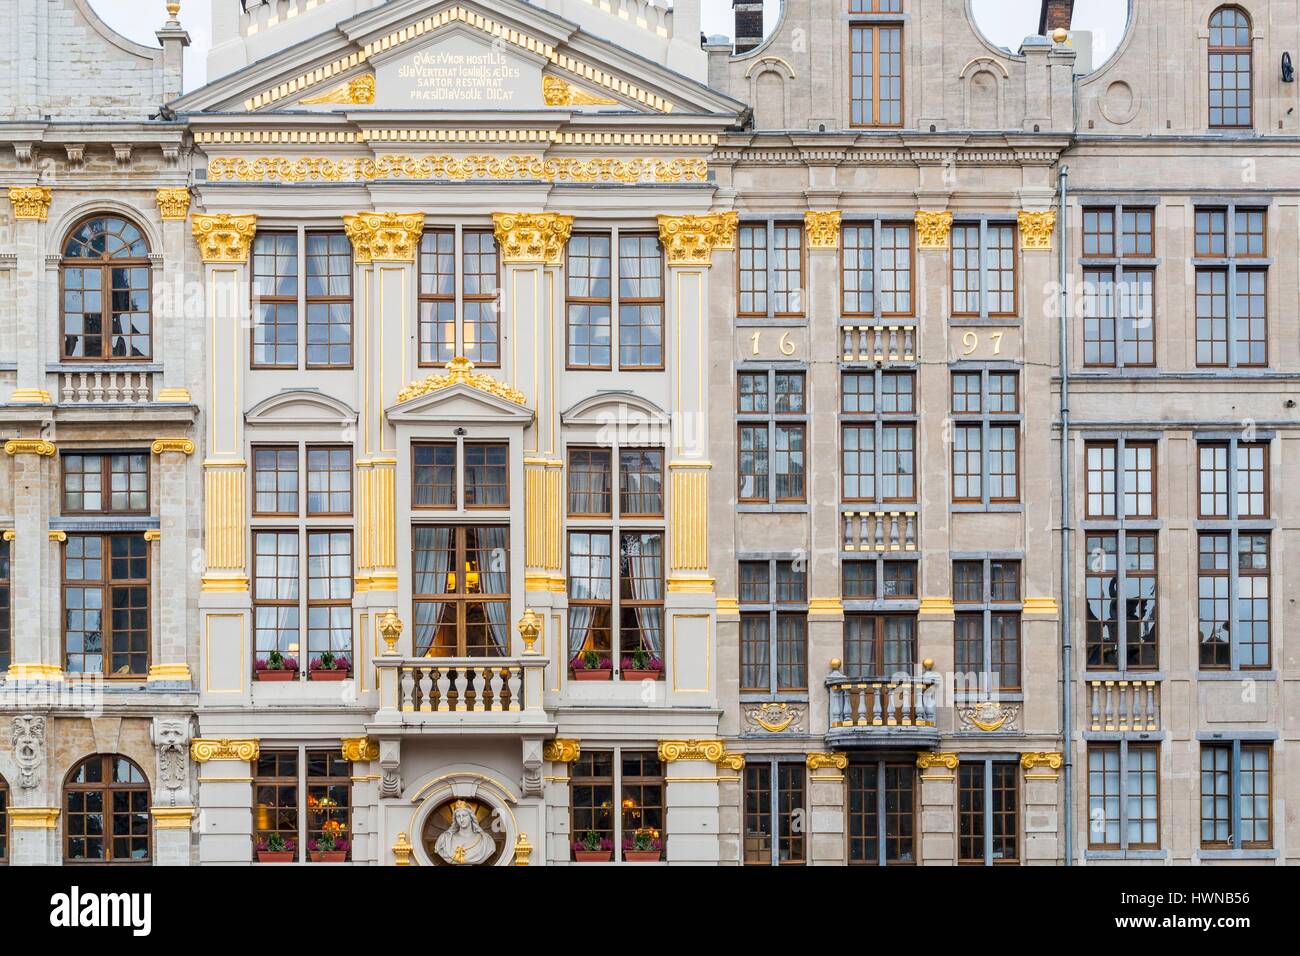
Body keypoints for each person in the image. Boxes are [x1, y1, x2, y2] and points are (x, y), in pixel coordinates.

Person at [434, 800, 495, 864]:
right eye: (458, 816)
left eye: (464, 815)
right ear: (455, 819)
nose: (461, 819)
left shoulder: (486, 840)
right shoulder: (444, 839)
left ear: (471, 817)